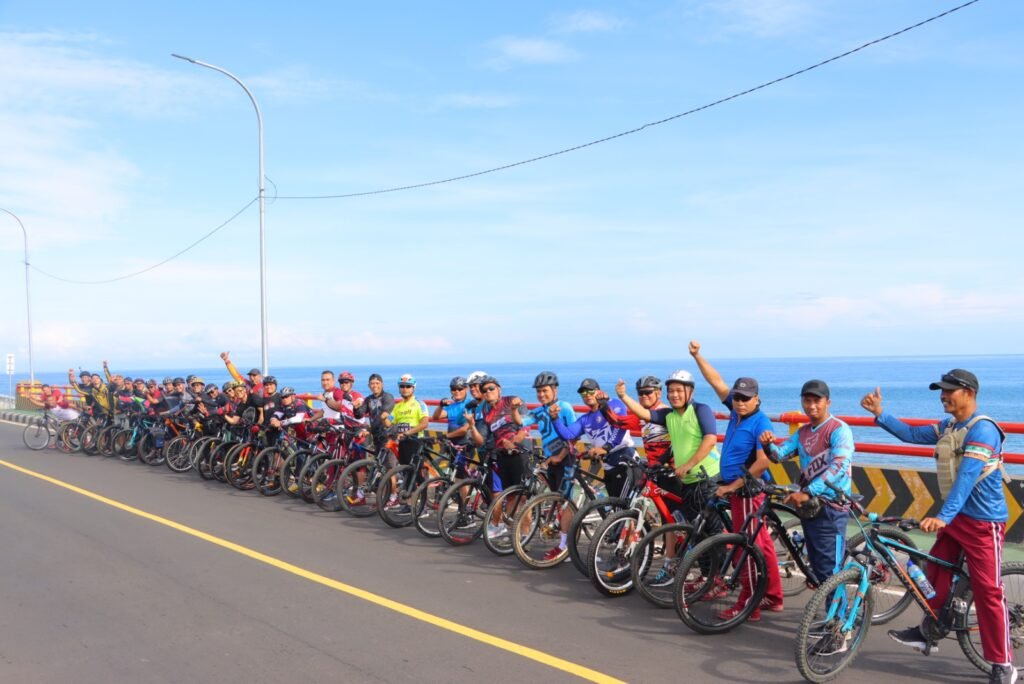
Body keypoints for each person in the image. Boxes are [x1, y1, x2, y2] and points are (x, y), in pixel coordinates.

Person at [862, 369, 1015, 683]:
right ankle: (927, 631)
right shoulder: (950, 425)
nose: (943, 396)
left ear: (969, 393)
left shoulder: (983, 430)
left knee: (988, 592)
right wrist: (880, 414)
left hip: (983, 523)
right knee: (934, 573)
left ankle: (1003, 664)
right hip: (957, 519)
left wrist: (943, 516)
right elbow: (912, 435)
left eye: (949, 390)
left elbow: (967, 477)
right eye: (941, 390)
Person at [690, 340, 783, 621]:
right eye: (737, 397)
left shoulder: (760, 422)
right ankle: (773, 596)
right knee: (763, 545)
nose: (740, 402)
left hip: (748, 491)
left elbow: (763, 461)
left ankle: (749, 603)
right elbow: (716, 380)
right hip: (737, 487)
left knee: (747, 547)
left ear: (757, 399)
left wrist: (732, 487)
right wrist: (698, 356)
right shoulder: (735, 411)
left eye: (746, 398)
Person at [759, 379, 853, 641]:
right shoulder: (802, 433)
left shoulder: (838, 430)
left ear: (828, 402)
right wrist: (768, 445)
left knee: (830, 570)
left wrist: (808, 491)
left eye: (817, 400)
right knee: (820, 569)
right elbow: (779, 455)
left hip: (831, 507)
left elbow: (838, 467)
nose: (811, 405)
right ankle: (831, 618)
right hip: (810, 507)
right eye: (807, 400)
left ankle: (841, 629)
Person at [616, 370, 723, 586]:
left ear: (689, 391)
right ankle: (706, 577)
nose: (674, 395)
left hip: (707, 476)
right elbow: (645, 415)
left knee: (710, 532)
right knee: (696, 531)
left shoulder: (701, 410)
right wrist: (623, 396)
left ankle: (717, 579)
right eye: (671, 391)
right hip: (688, 480)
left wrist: (689, 464)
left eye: (678, 390)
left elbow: (711, 439)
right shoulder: (670, 416)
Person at [549, 378, 639, 499]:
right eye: (583, 393)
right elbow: (568, 434)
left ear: (599, 391)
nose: (587, 395)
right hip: (608, 463)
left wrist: (606, 448)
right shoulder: (585, 419)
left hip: (626, 459)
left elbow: (620, 426)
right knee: (615, 507)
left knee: (623, 506)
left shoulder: (614, 404)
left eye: (590, 391)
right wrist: (555, 419)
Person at [518, 371, 577, 557]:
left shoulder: (564, 407)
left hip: (565, 460)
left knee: (566, 503)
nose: (541, 395)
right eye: (539, 392)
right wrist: (514, 409)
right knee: (559, 501)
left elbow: (574, 435)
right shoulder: (539, 410)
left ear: (554, 390)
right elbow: (521, 422)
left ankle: (565, 547)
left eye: (545, 391)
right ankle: (564, 539)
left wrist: (560, 456)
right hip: (552, 460)